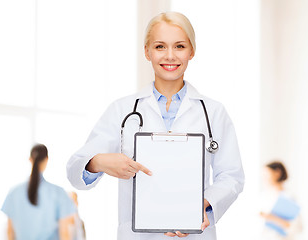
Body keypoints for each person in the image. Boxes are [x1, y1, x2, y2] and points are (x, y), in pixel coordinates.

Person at [67, 12, 244, 240]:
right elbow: (74, 170)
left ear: (192, 51)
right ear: (147, 51)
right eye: (160, 46)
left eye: (179, 46)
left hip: (193, 234)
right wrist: (98, 162)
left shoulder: (213, 112)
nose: (170, 56)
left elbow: (232, 177)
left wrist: (202, 204)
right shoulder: (122, 110)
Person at [1, 144, 76, 240]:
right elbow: (64, 234)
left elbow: (10, 232)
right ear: (46, 160)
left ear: (30, 159)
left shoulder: (14, 193)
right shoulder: (59, 193)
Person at [259, 161, 302, 240]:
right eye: (262, 175)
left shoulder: (288, 197)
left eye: (266, 174)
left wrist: (272, 218)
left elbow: (298, 227)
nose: (263, 178)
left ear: (277, 173)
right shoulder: (262, 196)